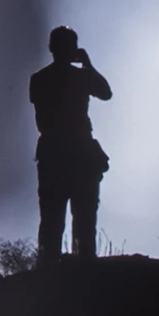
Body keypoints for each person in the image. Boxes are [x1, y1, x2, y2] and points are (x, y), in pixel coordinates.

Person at [29, 26, 113, 266]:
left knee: (52, 219)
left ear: (51, 48)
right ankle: (81, 268)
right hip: (78, 152)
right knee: (83, 218)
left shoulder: (39, 78)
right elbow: (105, 92)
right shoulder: (81, 77)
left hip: (54, 153)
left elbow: (105, 93)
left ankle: (49, 270)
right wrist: (88, 65)